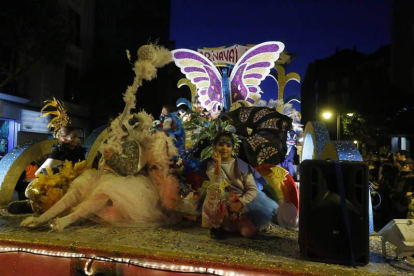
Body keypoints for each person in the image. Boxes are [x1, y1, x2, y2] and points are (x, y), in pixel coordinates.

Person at [21, 112, 180, 231]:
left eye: (120, 126)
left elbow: (130, 169)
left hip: (126, 184)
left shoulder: (135, 145)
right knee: (76, 190)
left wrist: (112, 158)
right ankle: (43, 218)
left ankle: (68, 220)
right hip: (101, 177)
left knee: (102, 194)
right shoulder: (113, 143)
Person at [202, 132, 278, 238]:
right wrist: (218, 163)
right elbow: (217, 182)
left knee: (246, 233)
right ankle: (216, 226)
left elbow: (252, 189)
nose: (224, 148)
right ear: (215, 147)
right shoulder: (211, 164)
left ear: (233, 149)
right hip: (223, 201)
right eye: (221, 144)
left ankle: (257, 225)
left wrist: (240, 203)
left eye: (228, 145)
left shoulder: (241, 165)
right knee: (214, 189)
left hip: (243, 202)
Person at [7, 126, 87, 214]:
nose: (77, 139)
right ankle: (30, 206)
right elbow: (40, 172)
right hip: (59, 184)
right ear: (64, 138)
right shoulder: (58, 151)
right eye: (74, 137)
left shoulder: (79, 152)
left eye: (77, 136)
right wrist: (57, 171)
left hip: (76, 182)